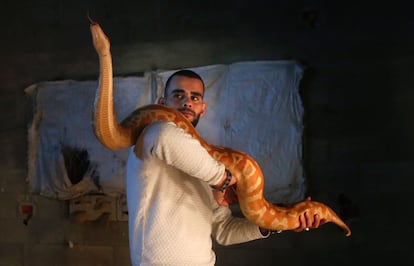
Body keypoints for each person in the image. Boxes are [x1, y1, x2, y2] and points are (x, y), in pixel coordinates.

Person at [126, 69, 324, 266]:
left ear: (203, 108)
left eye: (194, 98)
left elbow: (224, 231)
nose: (187, 102)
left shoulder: (205, 161)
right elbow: (164, 136)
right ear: (162, 104)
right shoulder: (150, 136)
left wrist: (277, 222)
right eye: (178, 95)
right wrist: (223, 180)